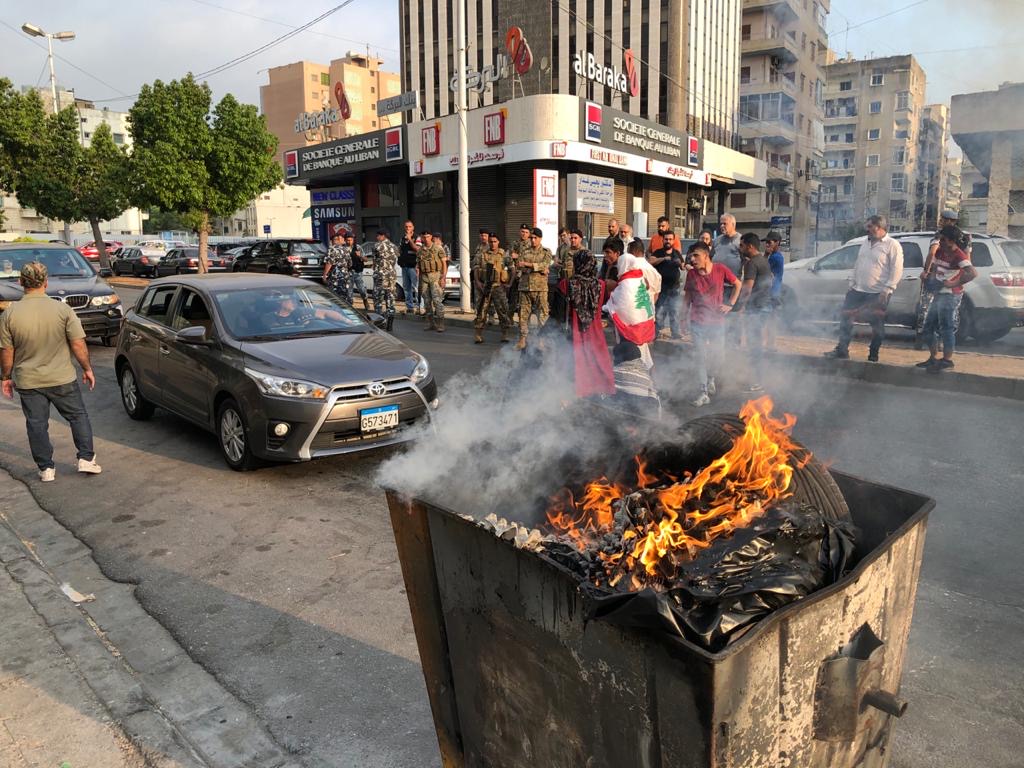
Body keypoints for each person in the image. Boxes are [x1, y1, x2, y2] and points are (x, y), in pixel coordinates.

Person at [0, 262, 101, 481]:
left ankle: (46, 469)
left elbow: (7, 351)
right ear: (46, 283)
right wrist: (87, 368)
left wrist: (6, 377)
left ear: (21, 283)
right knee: (77, 416)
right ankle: (86, 458)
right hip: (62, 378)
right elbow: (78, 344)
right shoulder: (62, 310)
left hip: (29, 381)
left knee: (36, 424)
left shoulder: (10, 314)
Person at [824, 215, 904, 362]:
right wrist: (852, 284)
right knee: (846, 320)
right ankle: (842, 350)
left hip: (878, 293)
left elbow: (897, 269)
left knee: (877, 326)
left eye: (870, 227)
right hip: (857, 290)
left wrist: (888, 289)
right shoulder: (865, 243)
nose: (867, 230)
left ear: (879, 228)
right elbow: (858, 264)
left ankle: (873, 355)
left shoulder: (892, 245)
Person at [684, 242, 740, 407]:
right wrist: (682, 318)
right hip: (697, 322)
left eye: (696, 256)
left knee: (718, 357)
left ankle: (711, 379)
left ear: (706, 256)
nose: (692, 259)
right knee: (700, 356)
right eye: (691, 256)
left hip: (717, 322)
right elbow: (687, 297)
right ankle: (703, 392)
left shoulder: (720, 269)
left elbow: (737, 283)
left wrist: (730, 304)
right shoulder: (692, 275)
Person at [916, 225, 976, 373]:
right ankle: (933, 358)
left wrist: (954, 283)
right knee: (928, 327)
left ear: (951, 240)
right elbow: (935, 268)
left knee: (946, 327)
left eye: (943, 239)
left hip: (950, 295)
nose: (940, 242)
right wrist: (928, 276)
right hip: (938, 293)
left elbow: (972, 273)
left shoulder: (958, 255)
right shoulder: (942, 251)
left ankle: (947, 360)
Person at [561, 248, 614, 397]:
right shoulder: (601, 285)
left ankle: (576, 394)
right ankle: (600, 392)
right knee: (597, 362)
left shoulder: (566, 284)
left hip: (574, 331)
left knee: (576, 365)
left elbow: (557, 314)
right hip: (595, 330)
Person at [915, 209, 972, 348]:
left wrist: (926, 272)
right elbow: (968, 260)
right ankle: (939, 344)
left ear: (952, 221)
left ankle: (928, 342)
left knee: (927, 309)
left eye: (945, 219)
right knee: (950, 316)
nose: (942, 221)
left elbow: (933, 253)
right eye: (942, 218)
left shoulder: (941, 235)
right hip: (953, 280)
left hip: (944, 281)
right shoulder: (965, 237)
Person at [734, 233, 774, 392]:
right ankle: (757, 379)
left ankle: (757, 381)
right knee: (756, 345)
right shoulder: (763, 260)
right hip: (764, 307)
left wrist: (740, 307)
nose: (740, 248)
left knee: (754, 346)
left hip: (755, 309)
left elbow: (747, 288)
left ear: (750, 246)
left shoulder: (751, 264)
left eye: (742, 245)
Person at [515, 228, 552, 350]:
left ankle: (541, 340)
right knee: (523, 315)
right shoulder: (524, 251)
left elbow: (545, 265)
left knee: (543, 315)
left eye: (535, 238)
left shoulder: (546, 252)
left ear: (540, 239)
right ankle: (522, 339)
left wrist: (528, 265)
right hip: (525, 287)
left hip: (540, 289)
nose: (533, 240)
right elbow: (519, 266)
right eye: (531, 238)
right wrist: (538, 268)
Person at [473, 232, 512, 343]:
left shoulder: (504, 254)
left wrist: (508, 283)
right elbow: (476, 269)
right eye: (491, 241)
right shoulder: (482, 254)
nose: (493, 243)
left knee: (503, 310)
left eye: (495, 241)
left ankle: (505, 334)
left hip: (498, 287)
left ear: (498, 242)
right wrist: (477, 282)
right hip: (485, 286)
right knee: (481, 310)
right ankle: (478, 334)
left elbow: (512, 268)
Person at [648, 230, 685, 340]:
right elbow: (650, 261)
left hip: (674, 288)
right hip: (661, 288)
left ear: (673, 240)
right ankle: (656, 333)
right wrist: (663, 259)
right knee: (659, 312)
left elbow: (683, 266)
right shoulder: (658, 252)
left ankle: (675, 333)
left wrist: (680, 263)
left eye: (670, 239)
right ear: (663, 240)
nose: (668, 241)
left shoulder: (676, 253)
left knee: (675, 311)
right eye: (666, 239)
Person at [609, 341, 661, 415]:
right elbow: (655, 398)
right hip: (647, 414)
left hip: (622, 413)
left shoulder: (615, 372)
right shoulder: (644, 373)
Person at [417, 231, 447, 332]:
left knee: (437, 301)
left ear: (431, 237)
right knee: (426, 302)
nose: (426, 239)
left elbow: (444, 264)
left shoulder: (438, 248)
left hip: (436, 277)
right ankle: (431, 323)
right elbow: (419, 267)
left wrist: (443, 278)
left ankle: (440, 324)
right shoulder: (420, 251)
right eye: (424, 237)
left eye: (428, 237)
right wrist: (420, 281)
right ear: (422, 238)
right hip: (424, 278)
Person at [372, 229, 400, 331]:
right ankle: (390, 325)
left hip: (380, 276)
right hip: (391, 276)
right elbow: (395, 259)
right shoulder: (394, 246)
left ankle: (379, 324)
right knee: (390, 300)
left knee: (378, 300)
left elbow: (375, 262)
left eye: (378, 236)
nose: (377, 238)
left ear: (383, 236)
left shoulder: (376, 246)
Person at [764, 231, 785, 349]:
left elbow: (763, 268)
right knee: (771, 319)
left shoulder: (775, 257)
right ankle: (770, 344)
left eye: (769, 242)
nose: (767, 245)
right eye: (766, 242)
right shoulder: (775, 255)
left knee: (769, 319)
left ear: (777, 243)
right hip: (774, 292)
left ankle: (770, 344)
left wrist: (765, 255)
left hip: (772, 293)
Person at [323, 231, 352, 302]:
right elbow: (350, 264)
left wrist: (324, 275)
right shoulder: (347, 250)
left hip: (335, 277)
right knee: (345, 298)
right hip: (345, 277)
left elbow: (329, 263)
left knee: (334, 298)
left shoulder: (332, 249)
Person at [398, 220, 420, 314]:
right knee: (407, 288)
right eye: (406, 227)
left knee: (417, 287)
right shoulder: (402, 238)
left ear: (413, 227)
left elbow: (417, 249)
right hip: (404, 266)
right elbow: (399, 249)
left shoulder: (417, 237)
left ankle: (419, 307)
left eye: (409, 226)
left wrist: (410, 239)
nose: (408, 228)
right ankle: (410, 307)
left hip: (413, 267)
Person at [347, 232, 369, 308]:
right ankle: (350, 306)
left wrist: (360, 256)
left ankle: (365, 300)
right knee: (349, 292)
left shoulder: (358, 247)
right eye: (347, 240)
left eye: (350, 240)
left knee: (362, 290)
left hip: (357, 273)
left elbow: (366, 259)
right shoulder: (343, 249)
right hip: (348, 273)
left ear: (353, 240)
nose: (349, 242)